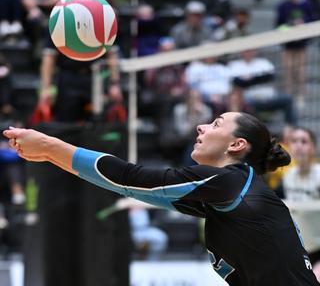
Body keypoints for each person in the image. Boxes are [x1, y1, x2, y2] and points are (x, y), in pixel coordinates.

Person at [3, 112, 320, 285]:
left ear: (237, 145)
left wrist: (47, 145)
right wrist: (47, 155)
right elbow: (125, 185)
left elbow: (129, 178)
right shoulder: (227, 192)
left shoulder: (229, 181)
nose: (201, 126)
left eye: (216, 123)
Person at [282, 126, 320, 281]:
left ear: (313, 148)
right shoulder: (288, 176)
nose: (298, 146)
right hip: (299, 251)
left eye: (304, 141)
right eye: (294, 141)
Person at [275, 0, 316, 108]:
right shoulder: (283, 5)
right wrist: (288, 27)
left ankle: (300, 96)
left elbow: (312, 21)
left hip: (301, 43)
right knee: (288, 70)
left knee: (300, 70)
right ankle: (288, 96)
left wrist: (302, 25)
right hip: (288, 44)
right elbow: (278, 24)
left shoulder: (307, 3)